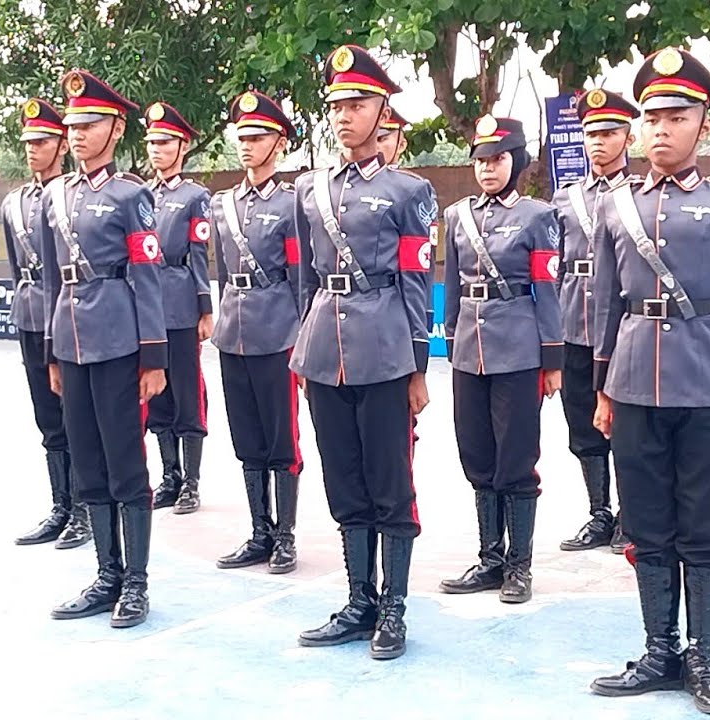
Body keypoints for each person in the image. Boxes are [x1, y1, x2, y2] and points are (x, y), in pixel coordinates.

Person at [587, 47, 710, 715]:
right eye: (652, 117)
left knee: (703, 530)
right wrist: (603, 387)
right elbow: (603, 303)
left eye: (677, 116)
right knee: (648, 528)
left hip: (709, 386)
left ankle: (702, 657)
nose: (661, 129)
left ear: (704, 126)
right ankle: (660, 650)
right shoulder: (617, 205)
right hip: (632, 386)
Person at [292, 44, 436, 661]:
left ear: (382, 111)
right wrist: (304, 347)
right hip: (325, 348)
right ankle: (358, 601)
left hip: (384, 350)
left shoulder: (409, 191)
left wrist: (417, 368)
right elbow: (303, 279)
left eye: (357, 103)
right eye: (338, 105)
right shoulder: (309, 189)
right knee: (343, 477)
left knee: (389, 480)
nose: (345, 115)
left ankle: (394, 607)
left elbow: (414, 281)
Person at [43, 69, 167, 629]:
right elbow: (50, 277)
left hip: (119, 343)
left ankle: (136, 583)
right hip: (71, 343)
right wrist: (51, 351)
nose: (78, 134)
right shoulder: (55, 195)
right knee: (87, 460)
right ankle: (105, 574)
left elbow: (147, 275)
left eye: (90, 124)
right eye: (72, 125)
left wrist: (155, 356)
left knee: (124, 461)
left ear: (116, 129)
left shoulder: (132, 195)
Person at [437, 115, 563, 604]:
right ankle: (490, 558)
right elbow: (450, 285)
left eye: (497, 159)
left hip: (518, 348)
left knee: (516, 457)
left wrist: (550, 360)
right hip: (470, 348)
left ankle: (519, 566)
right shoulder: (457, 215)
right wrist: (451, 341)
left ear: (517, 161)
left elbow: (546, 290)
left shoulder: (536, 217)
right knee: (477, 453)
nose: (487, 169)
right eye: (481, 160)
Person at [211, 90, 304, 574]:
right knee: (246, 437)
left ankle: (285, 536)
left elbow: (298, 279)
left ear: (280, 143)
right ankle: (258, 531)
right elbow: (224, 274)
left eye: (258, 136)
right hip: (233, 331)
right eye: (242, 137)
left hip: (277, 331)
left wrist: (301, 338)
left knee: (281, 438)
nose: (247, 145)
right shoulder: (221, 204)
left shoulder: (291, 206)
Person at [3, 97, 92, 550]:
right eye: (28, 142)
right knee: (47, 418)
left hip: (67, 313)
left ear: (61, 145)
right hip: (31, 314)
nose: (33, 150)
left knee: (74, 415)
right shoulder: (13, 202)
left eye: (42, 141)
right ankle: (60, 505)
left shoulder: (70, 197)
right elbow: (13, 265)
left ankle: (83, 509)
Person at [552, 88, 638, 554]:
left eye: (608, 133)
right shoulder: (564, 200)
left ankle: (631, 513)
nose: (598, 143)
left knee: (625, 424)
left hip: (623, 329)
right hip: (573, 324)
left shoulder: (640, 197)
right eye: (591, 134)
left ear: (627, 136)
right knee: (582, 424)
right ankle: (599, 513)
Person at [143, 101, 213, 515]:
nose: (156, 150)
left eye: (165, 142)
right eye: (152, 142)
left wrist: (204, 307)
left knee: (187, 391)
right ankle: (169, 475)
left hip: (180, 297)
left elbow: (198, 253)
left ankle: (191, 481)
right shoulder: (141, 195)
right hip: (147, 302)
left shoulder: (194, 196)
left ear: (182, 146)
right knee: (156, 394)